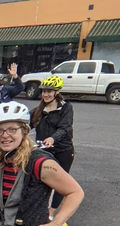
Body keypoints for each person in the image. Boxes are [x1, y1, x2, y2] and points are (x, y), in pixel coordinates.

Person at [30, 75, 75, 218]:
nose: (46, 94)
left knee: (60, 181)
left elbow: (65, 128)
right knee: (40, 179)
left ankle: (51, 211)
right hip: (44, 151)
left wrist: (52, 138)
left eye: (49, 91)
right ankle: (41, 206)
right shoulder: (39, 110)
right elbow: (24, 124)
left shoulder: (66, 107)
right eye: (44, 91)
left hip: (63, 150)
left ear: (56, 92)